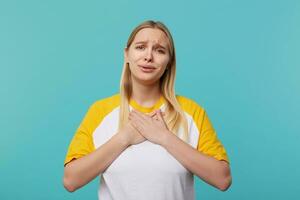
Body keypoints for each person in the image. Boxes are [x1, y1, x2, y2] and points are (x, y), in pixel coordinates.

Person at [63, 20, 232, 200]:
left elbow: (223, 179)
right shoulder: (100, 111)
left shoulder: (192, 112)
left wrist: (164, 137)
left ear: (169, 62)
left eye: (159, 50)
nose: (148, 57)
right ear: (126, 54)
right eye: (140, 47)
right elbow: (71, 180)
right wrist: (124, 138)